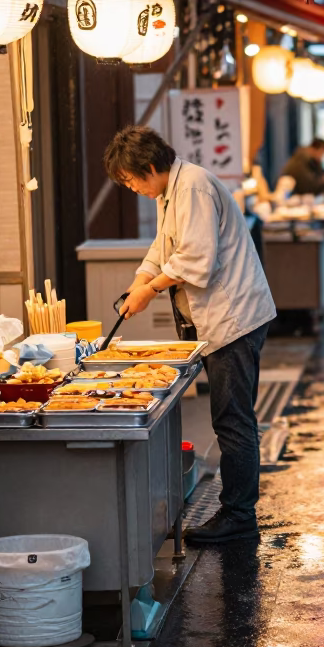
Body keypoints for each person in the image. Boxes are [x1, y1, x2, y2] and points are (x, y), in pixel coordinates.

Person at [103, 126, 277, 545]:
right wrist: (140, 280)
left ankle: (239, 517)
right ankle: (234, 510)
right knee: (229, 416)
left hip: (233, 320)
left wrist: (152, 288)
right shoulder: (172, 190)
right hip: (216, 321)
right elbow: (163, 250)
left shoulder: (194, 187)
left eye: (130, 181)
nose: (133, 189)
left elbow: (197, 259)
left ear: (148, 167)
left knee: (232, 419)